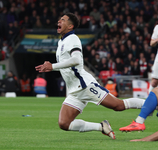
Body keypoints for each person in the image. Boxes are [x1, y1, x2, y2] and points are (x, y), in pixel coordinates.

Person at [35, 12, 146, 140]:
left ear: (71, 26)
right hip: (74, 90)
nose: (59, 21)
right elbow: (68, 66)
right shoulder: (62, 42)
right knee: (64, 123)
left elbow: (76, 60)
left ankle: (153, 104)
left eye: (63, 20)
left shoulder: (73, 39)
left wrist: (53, 66)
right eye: (59, 19)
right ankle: (101, 127)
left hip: (85, 86)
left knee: (118, 106)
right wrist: (52, 68)